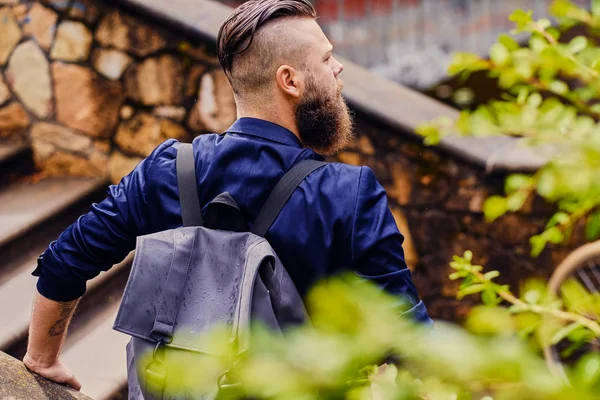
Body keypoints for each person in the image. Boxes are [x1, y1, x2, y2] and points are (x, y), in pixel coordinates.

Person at [23, 0, 432, 390]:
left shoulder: (166, 170)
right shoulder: (348, 192)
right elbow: (408, 338)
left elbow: (66, 260)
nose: (338, 67)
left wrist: (42, 359)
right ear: (289, 80)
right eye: (326, 59)